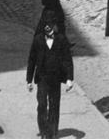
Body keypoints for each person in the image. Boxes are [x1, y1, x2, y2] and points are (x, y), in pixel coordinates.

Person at [26, 9, 74, 139]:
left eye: (49, 23)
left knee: (54, 105)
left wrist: (69, 78)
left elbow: (67, 60)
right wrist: (29, 80)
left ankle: (52, 133)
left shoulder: (61, 39)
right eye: (44, 23)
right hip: (41, 77)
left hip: (55, 77)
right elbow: (31, 60)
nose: (47, 26)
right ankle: (43, 131)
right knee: (42, 105)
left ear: (54, 24)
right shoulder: (38, 40)